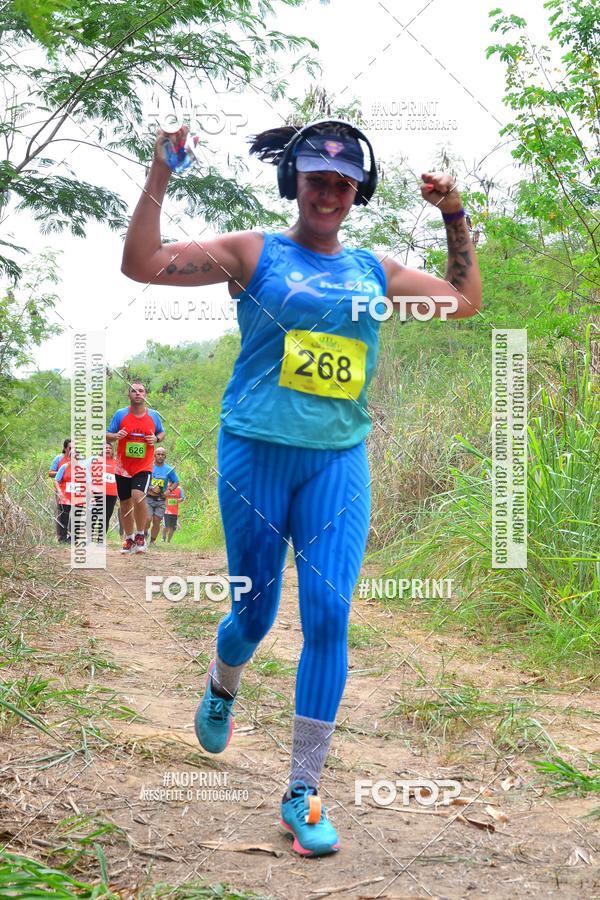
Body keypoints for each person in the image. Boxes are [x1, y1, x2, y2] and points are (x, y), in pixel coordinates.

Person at [121, 119, 482, 857]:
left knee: (328, 614)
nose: (329, 192)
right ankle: (224, 679)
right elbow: (142, 263)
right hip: (255, 456)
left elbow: (463, 298)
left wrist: (453, 212)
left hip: (337, 462)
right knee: (254, 616)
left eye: (343, 182)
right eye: (317, 177)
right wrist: (161, 173)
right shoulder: (252, 253)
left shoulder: (374, 272)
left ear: (357, 194)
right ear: (295, 182)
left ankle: (302, 790)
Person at [106, 382, 165, 555]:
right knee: (124, 503)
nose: (137, 393)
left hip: (144, 466)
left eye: (141, 391)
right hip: (122, 467)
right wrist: (116, 436)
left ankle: (140, 535)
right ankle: (129, 538)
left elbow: (161, 432)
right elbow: (107, 434)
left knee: (138, 497)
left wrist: (156, 439)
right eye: (134, 391)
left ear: (145, 395)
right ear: (129, 395)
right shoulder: (120, 414)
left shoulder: (153, 416)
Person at [145, 447, 179, 544]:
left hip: (161, 499)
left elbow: (176, 481)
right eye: (158, 454)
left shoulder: (169, 469)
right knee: (147, 518)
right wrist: (151, 488)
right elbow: (142, 480)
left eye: (162, 454)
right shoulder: (148, 467)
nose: (160, 456)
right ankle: (144, 534)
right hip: (148, 498)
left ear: (165, 456)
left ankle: (152, 541)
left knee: (156, 521)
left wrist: (169, 490)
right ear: (154, 455)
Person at [54, 447, 87, 543]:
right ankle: (62, 538)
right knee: (64, 517)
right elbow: (56, 480)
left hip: (78, 496)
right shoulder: (64, 467)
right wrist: (59, 491)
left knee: (76, 518)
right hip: (65, 496)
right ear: (69, 457)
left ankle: (74, 539)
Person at [88, 441, 119, 542]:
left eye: (109, 448)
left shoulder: (116, 463)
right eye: (105, 448)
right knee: (94, 514)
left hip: (111, 494)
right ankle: (89, 537)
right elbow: (89, 477)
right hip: (97, 492)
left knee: (106, 516)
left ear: (112, 450)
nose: (107, 449)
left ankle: (100, 539)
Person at [48, 439, 71, 542]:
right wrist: (62, 471)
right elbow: (50, 473)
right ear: (65, 448)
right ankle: (60, 536)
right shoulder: (59, 458)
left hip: (75, 491)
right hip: (61, 490)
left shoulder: (79, 459)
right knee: (62, 513)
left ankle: (71, 536)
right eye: (70, 448)